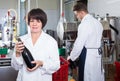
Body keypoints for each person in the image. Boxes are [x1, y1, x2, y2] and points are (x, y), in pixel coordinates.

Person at [11, 8, 60, 81]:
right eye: (32, 21)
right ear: (28, 23)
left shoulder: (51, 41)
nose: (34, 24)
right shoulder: (21, 40)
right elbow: (15, 67)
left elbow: (56, 65)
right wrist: (17, 54)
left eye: (38, 21)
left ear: (43, 23)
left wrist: (41, 63)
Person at [67, 2, 104, 81]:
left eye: (77, 14)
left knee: (86, 77)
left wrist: (72, 57)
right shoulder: (98, 23)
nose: (77, 17)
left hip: (88, 55)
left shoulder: (84, 24)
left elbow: (79, 44)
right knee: (97, 76)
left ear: (82, 12)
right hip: (98, 53)